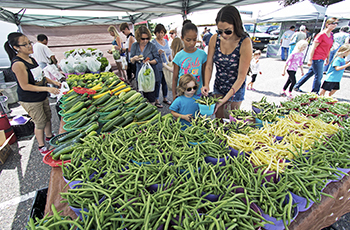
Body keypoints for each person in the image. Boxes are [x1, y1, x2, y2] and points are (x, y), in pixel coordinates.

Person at [4, 32, 61, 155]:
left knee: (47, 118)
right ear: (16, 47)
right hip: (30, 99)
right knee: (39, 122)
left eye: (29, 43)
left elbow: (41, 77)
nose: (30, 46)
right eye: (25, 44)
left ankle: (49, 136)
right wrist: (47, 89)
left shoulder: (31, 59)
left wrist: (54, 83)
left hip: (41, 95)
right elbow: (25, 86)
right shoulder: (18, 64)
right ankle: (41, 147)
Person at [201, 5, 252, 118]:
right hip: (219, 85)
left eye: (228, 31)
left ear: (236, 26)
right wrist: (206, 84)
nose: (223, 35)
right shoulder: (215, 39)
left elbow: (241, 77)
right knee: (218, 119)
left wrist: (225, 99)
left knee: (231, 121)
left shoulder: (245, 42)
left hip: (236, 89)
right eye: (220, 31)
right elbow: (209, 65)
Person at [294, 18, 339, 94]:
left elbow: (329, 47)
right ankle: (315, 91)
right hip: (317, 57)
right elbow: (313, 47)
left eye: (336, 23)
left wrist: (328, 58)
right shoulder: (321, 35)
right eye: (333, 23)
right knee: (319, 76)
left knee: (310, 73)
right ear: (327, 24)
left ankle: (296, 85)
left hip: (323, 57)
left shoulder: (331, 35)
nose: (335, 25)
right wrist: (310, 59)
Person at [172, 21, 207, 99]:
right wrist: (174, 95)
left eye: (194, 39)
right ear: (182, 38)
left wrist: (205, 89)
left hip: (198, 93)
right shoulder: (178, 56)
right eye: (188, 40)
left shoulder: (202, 55)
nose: (192, 43)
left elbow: (205, 75)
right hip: (183, 94)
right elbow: (175, 78)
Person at [130, 25, 160, 105]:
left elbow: (157, 59)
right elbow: (131, 60)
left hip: (151, 75)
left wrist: (149, 62)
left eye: (147, 38)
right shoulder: (134, 45)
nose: (145, 40)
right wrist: (134, 59)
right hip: (140, 75)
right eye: (143, 39)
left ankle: (153, 109)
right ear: (138, 37)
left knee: (151, 97)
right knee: (144, 97)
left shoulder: (152, 46)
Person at [151, 24, 172, 108]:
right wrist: (157, 52)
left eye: (162, 32)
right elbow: (151, 54)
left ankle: (165, 98)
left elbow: (169, 52)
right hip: (158, 65)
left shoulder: (166, 41)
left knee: (165, 82)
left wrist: (171, 58)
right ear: (155, 33)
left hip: (166, 65)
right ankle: (157, 100)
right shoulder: (153, 42)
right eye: (158, 32)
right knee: (158, 83)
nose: (160, 34)